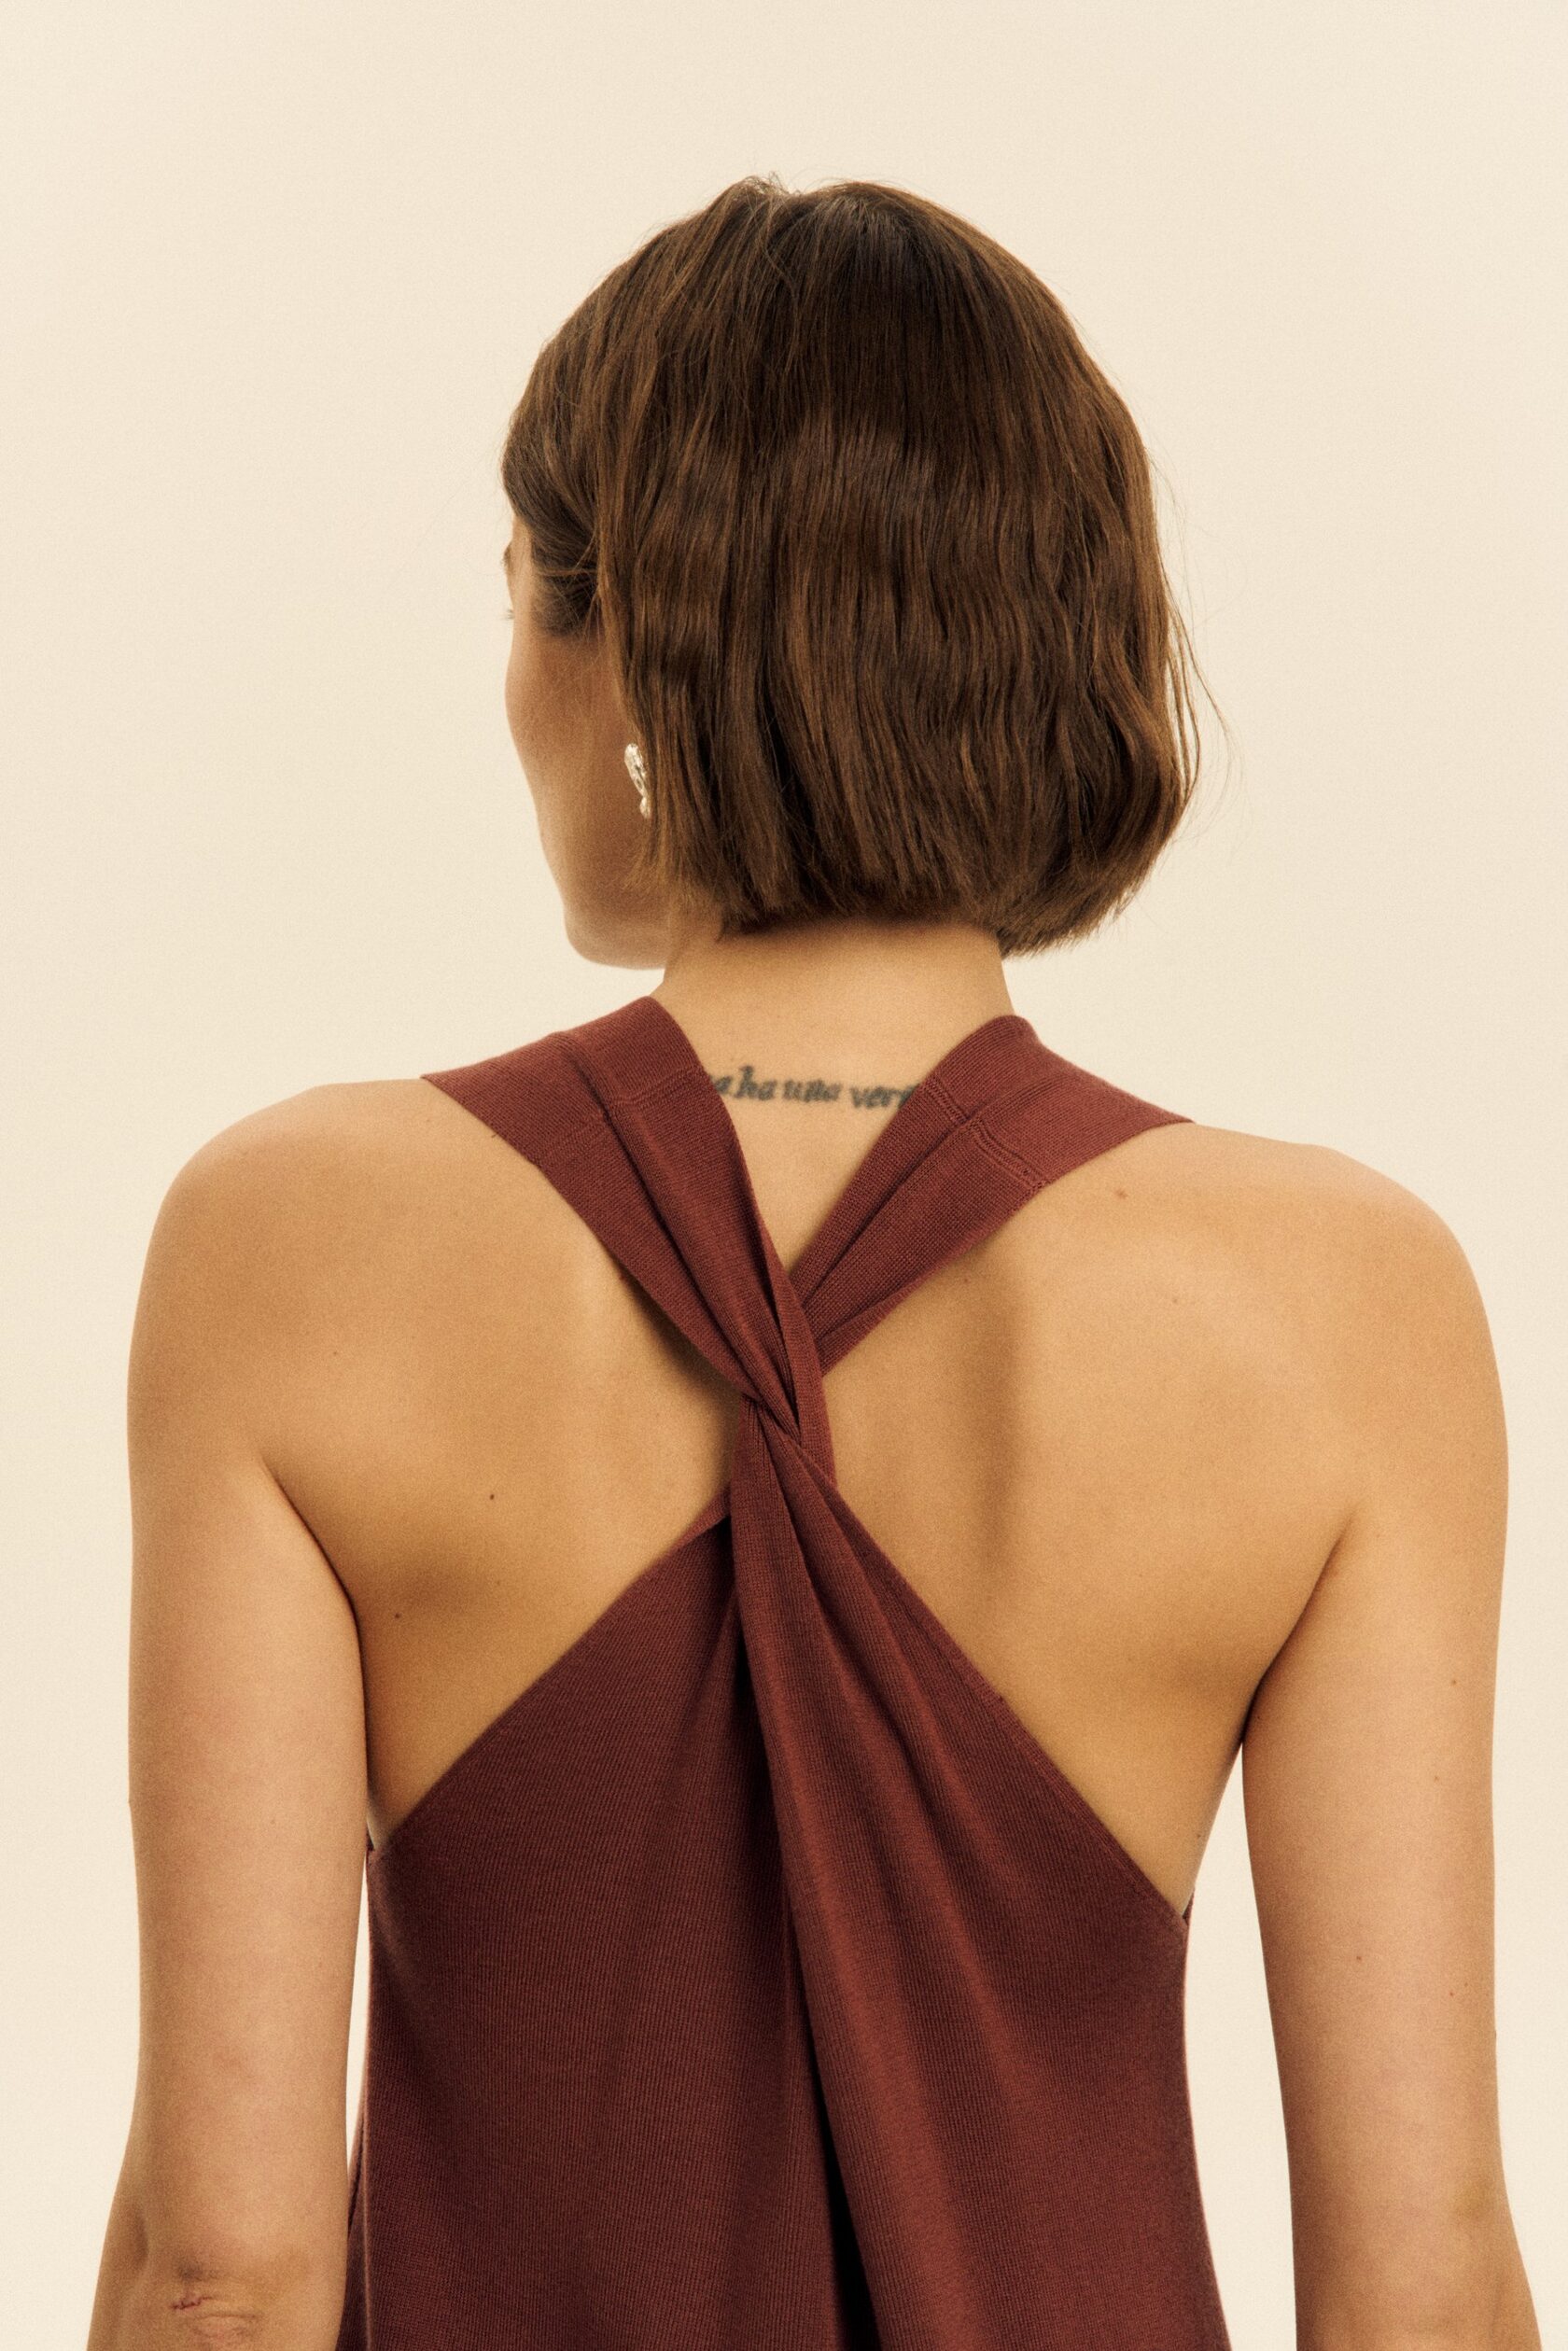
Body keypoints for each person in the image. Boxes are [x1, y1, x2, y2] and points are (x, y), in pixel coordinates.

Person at [88, 175, 1539, 2350]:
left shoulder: (295, 1241)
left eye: (518, 599)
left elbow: (223, 2273)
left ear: (626, 644)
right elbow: (1423, 2285)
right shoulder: (1346, 1305)